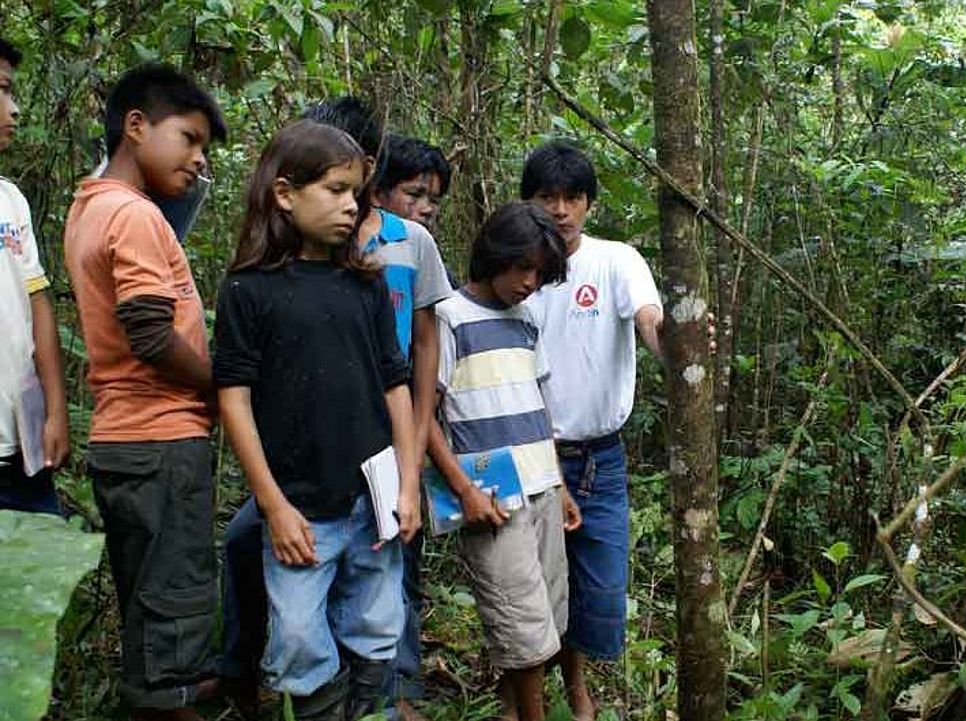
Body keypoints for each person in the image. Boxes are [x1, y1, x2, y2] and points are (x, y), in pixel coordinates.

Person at [218, 100, 452, 721]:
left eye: (357, 191)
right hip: (298, 502)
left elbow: (395, 386)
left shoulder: (368, 284)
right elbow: (233, 398)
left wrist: (406, 484)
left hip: (370, 497)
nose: (354, 204)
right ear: (286, 194)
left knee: (377, 620)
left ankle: (365, 709)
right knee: (296, 635)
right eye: (337, 189)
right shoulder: (248, 290)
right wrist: (270, 503)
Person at [61, 63, 226, 720]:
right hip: (160, 439)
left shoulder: (90, 205)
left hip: (124, 437)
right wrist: (224, 386)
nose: (198, 159)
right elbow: (151, 334)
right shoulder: (131, 215)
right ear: (136, 126)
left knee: (151, 609)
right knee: (174, 618)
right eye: (188, 138)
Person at [520, 141, 663, 720]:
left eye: (572, 197)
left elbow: (649, 320)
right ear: (529, 201)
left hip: (601, 457)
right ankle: (537, 699)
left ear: (589, 204)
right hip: (532, 454)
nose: (560, 210)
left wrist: (674, 340)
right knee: (532, 589)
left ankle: (578, 686)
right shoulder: (516, 268)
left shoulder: (616, 261)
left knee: (598, 589)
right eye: (547, 197)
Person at [426, 201, 582, 721]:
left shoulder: (526, 320)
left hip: (540, 485)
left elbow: (539, 409)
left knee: (547, 612)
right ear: (495, 255)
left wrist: (559, 484)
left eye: (539, 273)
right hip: (491, 494)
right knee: (522, 622)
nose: (529, 282)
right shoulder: (448, 318)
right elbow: (422, 416)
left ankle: (513, 709)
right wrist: (464, 490)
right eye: (522, 268)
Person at [0, 36, 69, 514]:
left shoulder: (10, 201)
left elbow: (38, 303)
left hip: (20, 443)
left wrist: (56, 409)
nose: (15, 109)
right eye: (2, 91)